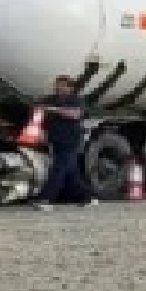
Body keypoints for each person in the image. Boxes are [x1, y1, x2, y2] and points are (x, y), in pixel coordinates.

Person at [31, 75, 98, 208]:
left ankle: (45, 199)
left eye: (62, 85)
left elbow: (75, 114)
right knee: (71, 173)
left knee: (58, 169)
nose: (58, 88)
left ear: (70, 87)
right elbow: (38, 108)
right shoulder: (50, 99)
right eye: (57, 85)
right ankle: (88, 197)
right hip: (55, 140)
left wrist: (52, 109)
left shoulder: (76, 100)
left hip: (71, 140)